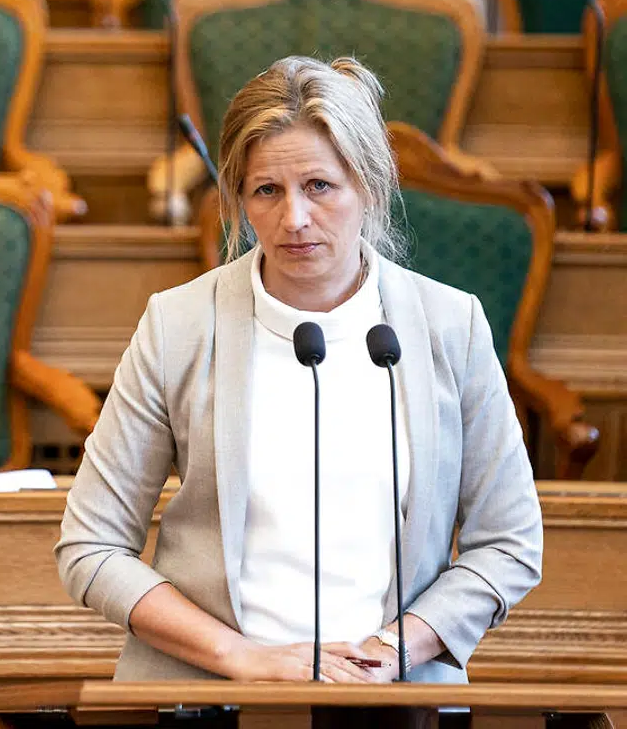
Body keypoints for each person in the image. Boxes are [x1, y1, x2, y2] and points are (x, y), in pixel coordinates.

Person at [57, 56, 542, 683]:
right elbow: (90, 547)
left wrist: (392, 650)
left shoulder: (451, 326)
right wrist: (242, 658)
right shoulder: (177, 326)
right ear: (238, 197)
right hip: (210, 695)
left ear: (367, 185)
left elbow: (508, 544)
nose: (294, 219)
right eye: (267, 190)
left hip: (392, 696)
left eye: (319, 186)